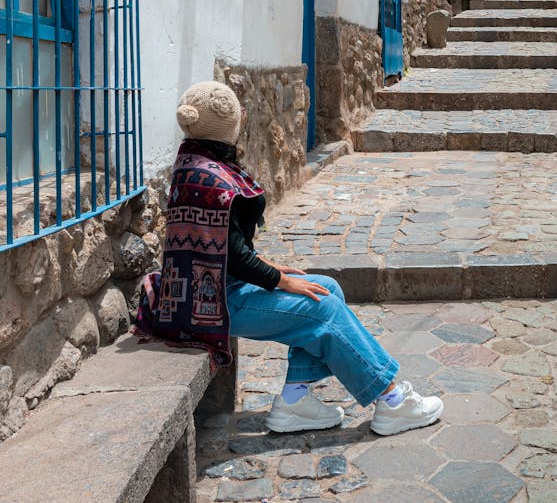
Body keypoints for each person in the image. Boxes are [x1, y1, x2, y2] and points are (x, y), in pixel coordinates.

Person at [135, 81, 443, 437]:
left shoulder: (194, 164)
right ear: (229, 125)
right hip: (211, 305)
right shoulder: (211, 179)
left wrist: (275, 270)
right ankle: (391, 400)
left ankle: (296, 399)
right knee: (322, 309)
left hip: (208, 292)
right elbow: (234, 257)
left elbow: (222, 246)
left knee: (326, 287)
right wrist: (281, 280)